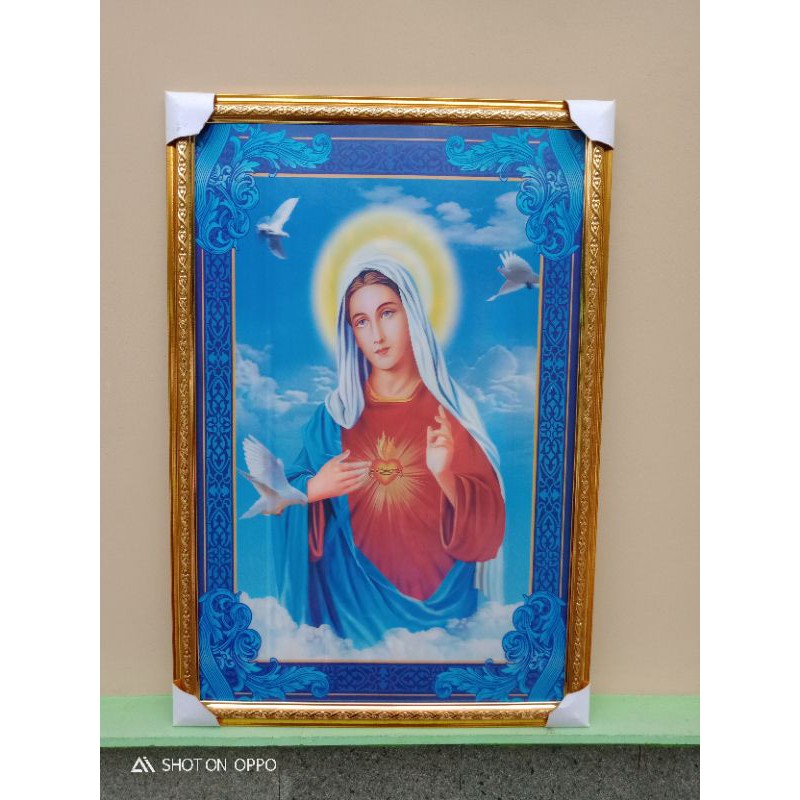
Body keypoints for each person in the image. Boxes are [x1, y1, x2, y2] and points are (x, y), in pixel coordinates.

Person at [268, 260, 505, 648]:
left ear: (412, 315)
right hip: (347, 614)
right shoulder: (334, 418)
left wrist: (445, 475)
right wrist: (313, 489)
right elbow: (278, 494)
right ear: (351, 334)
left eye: (387, 313)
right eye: (361, 321)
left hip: (444, 620)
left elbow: (488, 534)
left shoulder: (452, 416)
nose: (376, 334)